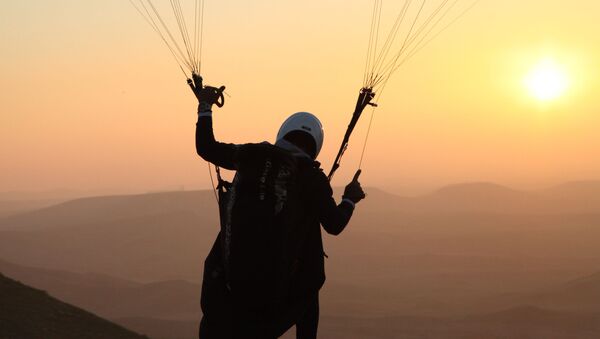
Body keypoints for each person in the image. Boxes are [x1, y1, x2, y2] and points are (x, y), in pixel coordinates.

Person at [190, 75, 365, 339]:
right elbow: (334, 225)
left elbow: (206, 148)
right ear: (315, 146)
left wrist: (205, 106)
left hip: (226, 287)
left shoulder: (250, 154)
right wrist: (350, 199)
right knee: (312, 281)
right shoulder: (311, 177)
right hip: (274, 298)